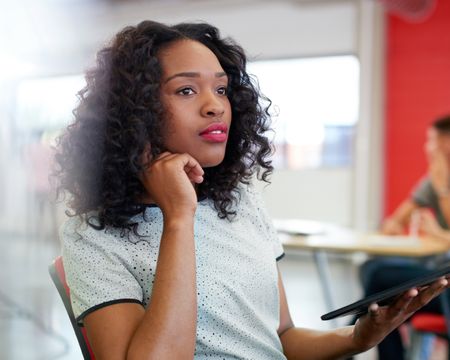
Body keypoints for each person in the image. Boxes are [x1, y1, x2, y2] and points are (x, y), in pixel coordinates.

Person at [54, 20, 449, 359]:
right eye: (187, 90)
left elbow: (282, 339)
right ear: (134, 112)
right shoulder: (95, 235)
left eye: (222, 89)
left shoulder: (240, 203)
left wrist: (357, 337)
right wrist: (178, 218)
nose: (215, 106)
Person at [359, 115, 450, 360]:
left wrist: (442, 187)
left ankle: (350, 339)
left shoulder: (439, 181)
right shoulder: (432, 181)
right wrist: (393, 226)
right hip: (437, 270)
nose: (427, 147)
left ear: (446, 143)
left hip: (445, 281)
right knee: (372, 269)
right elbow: (395, 221)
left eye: (431, 140)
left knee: (380, 279)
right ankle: (357, 341)